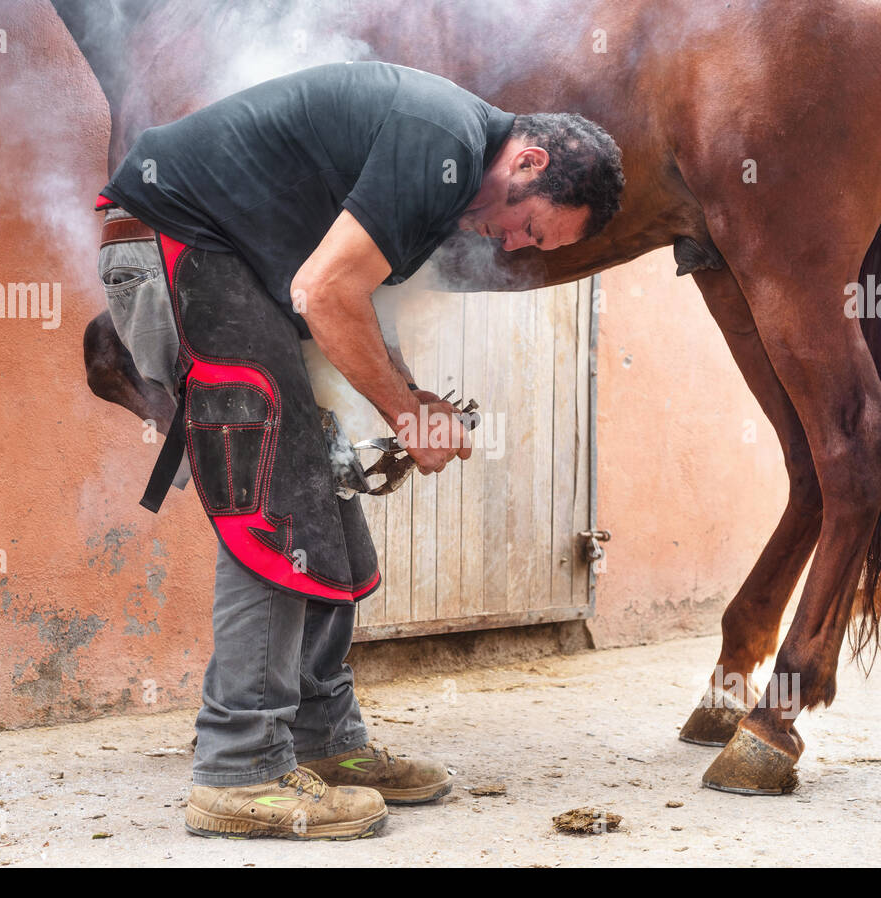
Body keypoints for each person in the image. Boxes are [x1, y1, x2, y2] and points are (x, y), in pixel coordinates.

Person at [94, 60, 624, 840]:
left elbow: (360, 298)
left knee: (324, 487)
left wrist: (413, 396)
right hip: (173, 238)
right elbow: (323, 292)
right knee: (271, 488)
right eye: (530, 227)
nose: (513, 245)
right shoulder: (440, 136)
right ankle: (239, 767)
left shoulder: (447, 167)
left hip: (234, 260)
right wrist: (407, 418)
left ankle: (324, 742)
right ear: (529, 162)